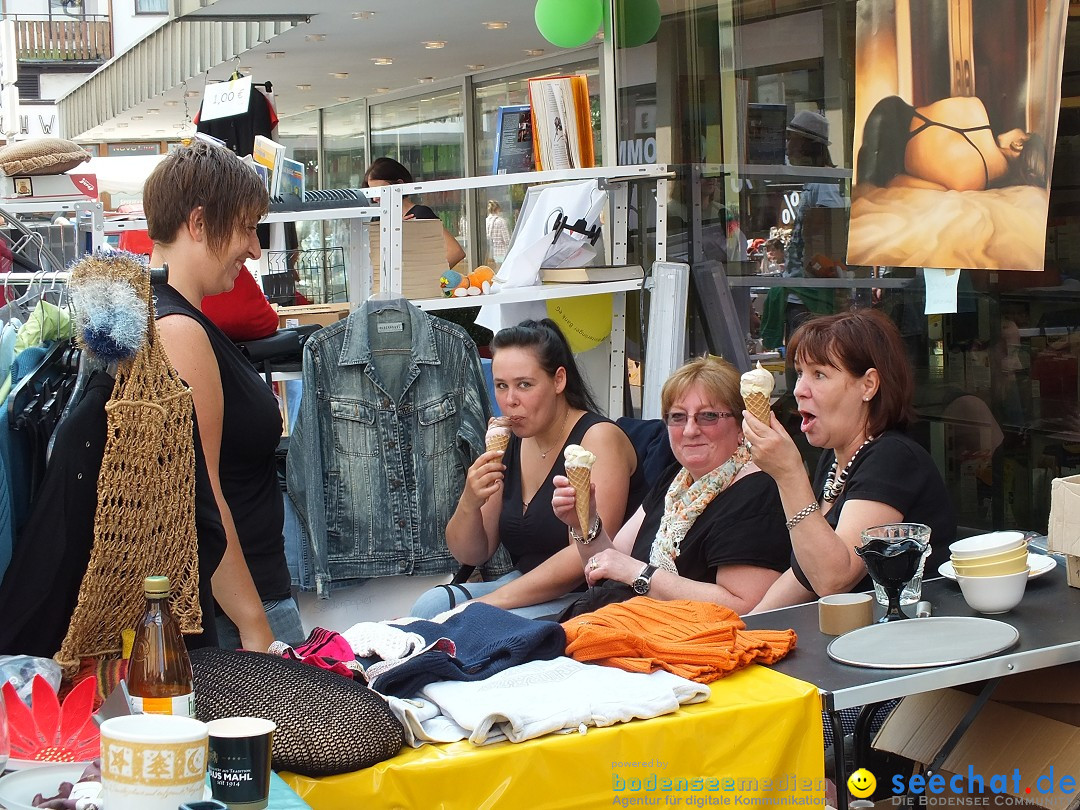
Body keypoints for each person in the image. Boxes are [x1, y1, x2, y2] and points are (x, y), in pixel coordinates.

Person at [145, 139, 304, 651]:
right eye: (246, 228)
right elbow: (201, 496)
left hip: (240, 601)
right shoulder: (180, 332)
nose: (255, 249)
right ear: (198, 223)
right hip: (239, 611)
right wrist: (255, 623)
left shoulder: (168, 318)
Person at [409, 319, 645, 619]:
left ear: (559, 380)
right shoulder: (508, 441)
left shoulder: (597, 439)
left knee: (471, 621)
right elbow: (473, 553)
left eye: (524, 385)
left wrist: (493, 601)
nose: (510, 401)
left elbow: (586, 557)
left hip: (590, 596)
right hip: (523, 587)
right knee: (428, 606)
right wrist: (469, 501)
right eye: (501, 386)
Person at [742, 309, 956, 612]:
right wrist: (748, 625)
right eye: (800, 373)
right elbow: (807, 572)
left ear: (868, 385)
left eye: (819, 374)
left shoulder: (892, 457)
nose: (799, 390)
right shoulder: (834, 457)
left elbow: (833, 578)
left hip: (909, 642)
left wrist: (788, 474)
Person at [552, 356, 792, 617]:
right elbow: (607, 565)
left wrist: (640, 574)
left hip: (694, 648)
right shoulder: (677, 480)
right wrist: (585, 523)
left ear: (741, 426)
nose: (690, 430)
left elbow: (745, 607)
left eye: (708, 416)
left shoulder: (757, 490)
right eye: (677, 417)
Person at [858, 95, 1048, 191]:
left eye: (1025, 132)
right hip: (888, 165)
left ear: (1019, 143)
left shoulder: (976, 108)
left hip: (889, 113)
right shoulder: (970, 184)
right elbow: (898, 183)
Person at [363, 156, 466, 268]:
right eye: (372, 192)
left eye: (380, 191)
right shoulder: (377, 218)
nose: (375, 198)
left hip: (415, 282)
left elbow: (455, 252)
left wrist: (425, 276)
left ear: (399, 184)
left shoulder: (420, 214)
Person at [485, 199, 512, 266]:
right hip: (502, 252)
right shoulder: (501, 221)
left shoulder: (486, 221)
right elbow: (506, 240)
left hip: (490, 254)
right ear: (498, 209)